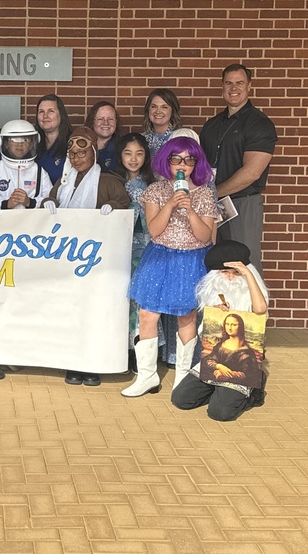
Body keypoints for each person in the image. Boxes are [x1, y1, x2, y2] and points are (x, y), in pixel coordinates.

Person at [121, 136, 216, 398]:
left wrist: (190, 210)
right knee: (147, 315)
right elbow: (154, 229)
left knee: (186, 317)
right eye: (176, 159)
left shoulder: (205, 193)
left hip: (191, 259)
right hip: (159, 257)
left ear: (196, 163)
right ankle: (147, 376)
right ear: (167, 161)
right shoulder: (155, 191)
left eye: (188, 159)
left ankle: (183, 377)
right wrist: (171, 203)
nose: (182, 164)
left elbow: (205, 236)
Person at [43, 127, 131, 387]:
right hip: (67, 264)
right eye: (72, 154)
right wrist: (48, 201)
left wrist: (113, 207)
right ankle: (73, 362)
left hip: (98, 265)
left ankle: (93, 364)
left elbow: (125, 205)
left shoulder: (108, 182)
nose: (77, 158)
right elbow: (52, 199)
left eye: (82, 152)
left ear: (93, 152)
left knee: (95, 313)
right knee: (70, 312)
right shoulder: (64, 182)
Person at [172, 239, 268, 421]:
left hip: (242, 362)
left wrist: (248, 274)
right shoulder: (213, 294)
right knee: (181, 399)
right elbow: (205, 337)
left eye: (236, 273)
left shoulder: (251, 291)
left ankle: (252, 390)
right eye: (225, 272)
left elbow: (260, 309)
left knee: (220, 413)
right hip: (216, 359)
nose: (231, 278)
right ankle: (220, 391)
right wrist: (215, 314)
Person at [200, 64, 278, 269]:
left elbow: (252, 173)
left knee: (244, 263)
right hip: (212, 204)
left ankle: (252, 303)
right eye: (229, 83)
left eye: (239, 83)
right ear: (222, 87)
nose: (233, 88)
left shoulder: (259, 124)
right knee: (213, 261)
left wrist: (213, 193)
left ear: (249, 86)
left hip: (242, 203)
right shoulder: (212, 125)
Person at [116, 132, 154, 361]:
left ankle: (141, 349)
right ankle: (122, 347)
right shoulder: (113, 181)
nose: (133, 159)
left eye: (139, 154)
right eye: (128, 153)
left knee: (140, 300)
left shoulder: (153, 184)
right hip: (119, 248)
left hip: (145, 248)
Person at [0, 119, 53, 210]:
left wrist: (30, 202)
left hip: (31, 222)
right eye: (14, 140)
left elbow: (49, 197)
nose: (20, 145)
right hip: (2, 222)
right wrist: (6, 204)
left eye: (25, 140)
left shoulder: (39, 171)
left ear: (31, 144)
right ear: (5, 143)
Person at [35, 94, 73, 184]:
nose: (45, 116)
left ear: (61, 114)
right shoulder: (32, 144)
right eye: (41, 112)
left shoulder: (72, 143)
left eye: (50, 111)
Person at [142, 88, 185, 159]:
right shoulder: (142, 139)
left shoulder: (179, 139)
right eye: (154, 106)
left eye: (164, 107)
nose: (158, 111)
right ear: (148, 110)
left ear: (173, 112)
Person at [85, 101, 124, 173]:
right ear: (92, 121)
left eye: (110, 119)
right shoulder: (82, 146)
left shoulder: (124, 147)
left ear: (116, 122)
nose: (106, 123)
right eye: (100, 119)